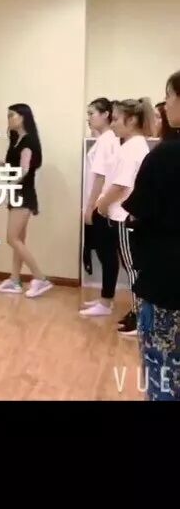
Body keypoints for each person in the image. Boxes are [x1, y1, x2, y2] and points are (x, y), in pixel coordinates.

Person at [122, 71, 180, 399]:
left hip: (167, 283)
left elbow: (139, 210)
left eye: (169, 96)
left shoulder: (164, 156)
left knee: (164, 374)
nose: (165, 105)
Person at [95, 98, 153, 337]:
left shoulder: (133, 149)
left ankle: (140, 317)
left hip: (125, 216)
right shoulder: (132, 146)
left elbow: (121, 185)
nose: (113, 124)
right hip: (124, 215)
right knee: (131, 267)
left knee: (133, 269)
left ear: (131, 120)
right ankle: (136, 312)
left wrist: (101, 204)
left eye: (117, 119)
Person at [0, 103, 53, 298]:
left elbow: (23, 171)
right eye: (8, 115)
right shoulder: (16, 140)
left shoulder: (28, 141)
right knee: (18, 239)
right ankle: (14, 280)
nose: (9, 119)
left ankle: (41, 278)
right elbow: (13, 167)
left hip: (23, 195)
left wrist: (6, 188)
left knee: (11, 238)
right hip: (17, 194)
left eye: (12, 115)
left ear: (22, 117)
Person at [79, 98, 121, 316]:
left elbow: (100, 177)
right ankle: (106, 298)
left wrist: (90, 207)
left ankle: (105, 302)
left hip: (100, 204)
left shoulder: (107, 141)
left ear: (106, 114)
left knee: (107, 254)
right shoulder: (106, 139)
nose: (89, 118)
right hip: (100, 203)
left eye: (92, 113)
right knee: (106, 254)